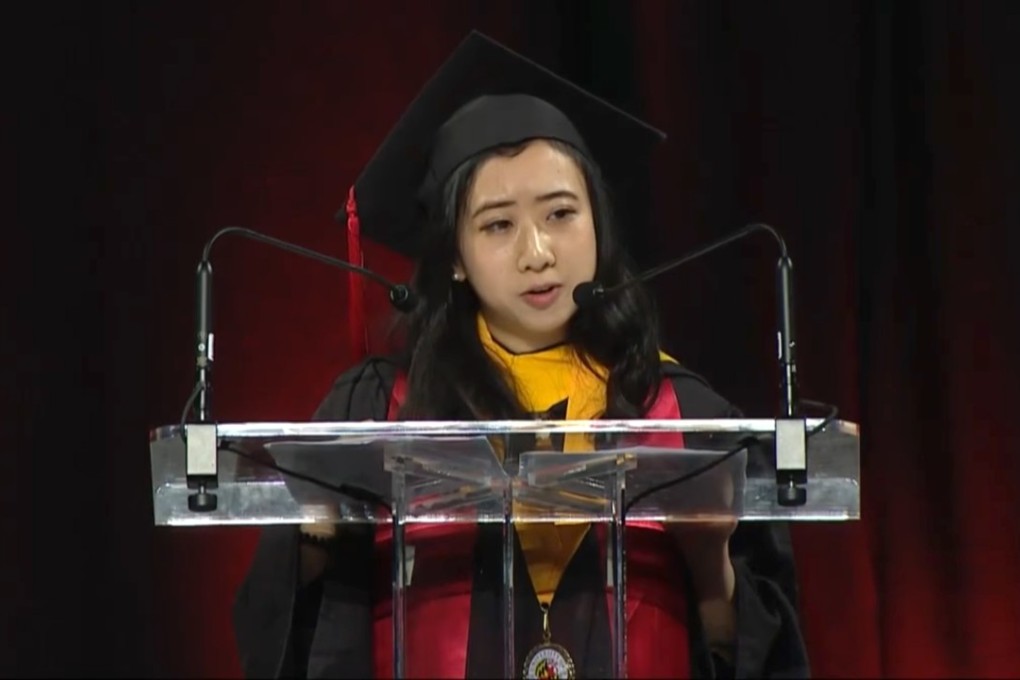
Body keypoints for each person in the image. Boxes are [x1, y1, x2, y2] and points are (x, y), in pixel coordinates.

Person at [232, 31, 809, 679]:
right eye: (499, 225)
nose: (538, 252)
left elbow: (761, 658)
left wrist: (710, 564)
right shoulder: (379, 411)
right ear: (453, 257)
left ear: (598, 224)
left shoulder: (689, 418)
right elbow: (296, 638)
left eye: (561, 213)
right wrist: (314, 533)